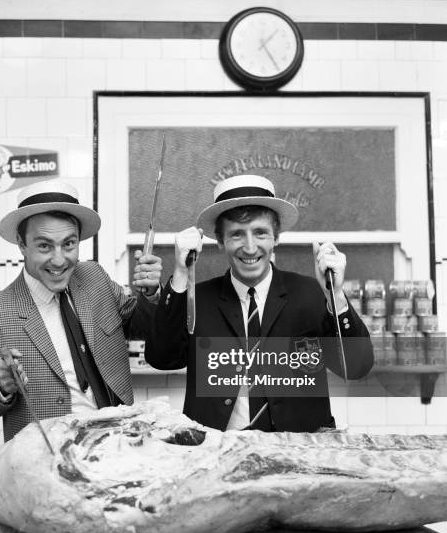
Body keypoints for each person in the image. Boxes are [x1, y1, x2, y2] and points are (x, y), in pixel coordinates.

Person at [145, 174, 373, 433]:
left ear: (276, 238)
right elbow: (162, 358)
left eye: (260, 233)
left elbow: (356, 367)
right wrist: (181, 274)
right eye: (237, 235)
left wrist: (337, 295)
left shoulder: (310, 293)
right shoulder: (199, 299)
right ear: (220, 242)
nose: (250, 247)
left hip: (300, 451)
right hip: (217, 451)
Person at [0, 179, 161, 441]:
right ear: (22, 244)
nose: (59, 259)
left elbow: (141, 326)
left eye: (69, 244)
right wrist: (0, 385)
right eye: (44, 245)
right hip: (45, 460)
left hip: (118, 444)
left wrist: (150, 292)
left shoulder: (94, 277)